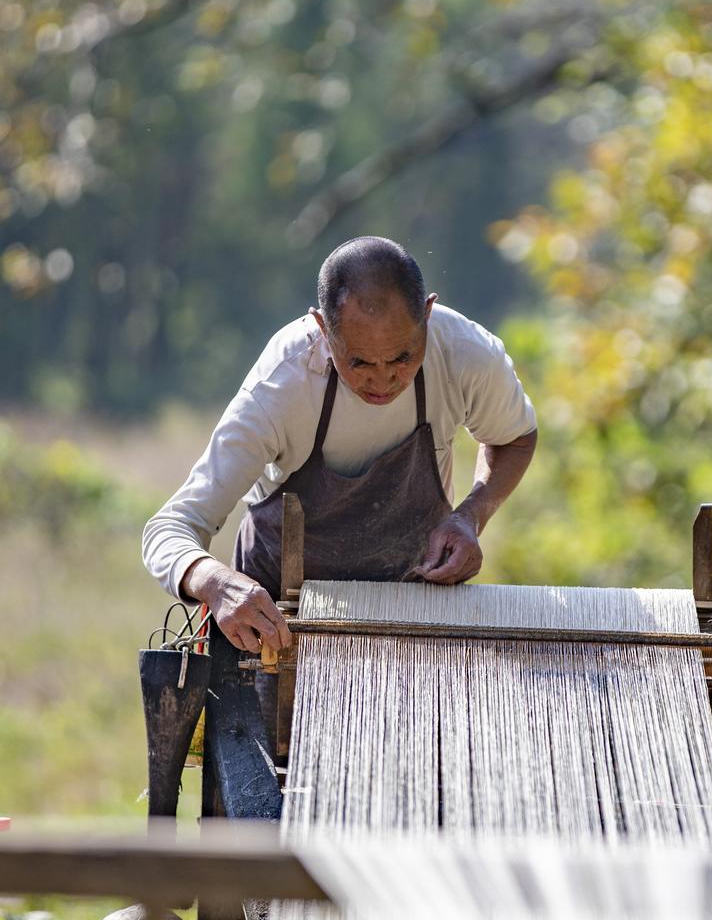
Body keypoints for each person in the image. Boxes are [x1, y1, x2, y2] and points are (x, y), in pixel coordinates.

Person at [142, 236, 538, 655]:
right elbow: (169, 528)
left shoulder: (466, 354)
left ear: (427, 314)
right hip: (278, 635)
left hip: (416, 624)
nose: (384, 380)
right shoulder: (281, 387)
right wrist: (215, 583)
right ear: (322, 329)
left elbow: (514, 437)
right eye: (360, 362)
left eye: (403, 357)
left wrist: (470, 517)